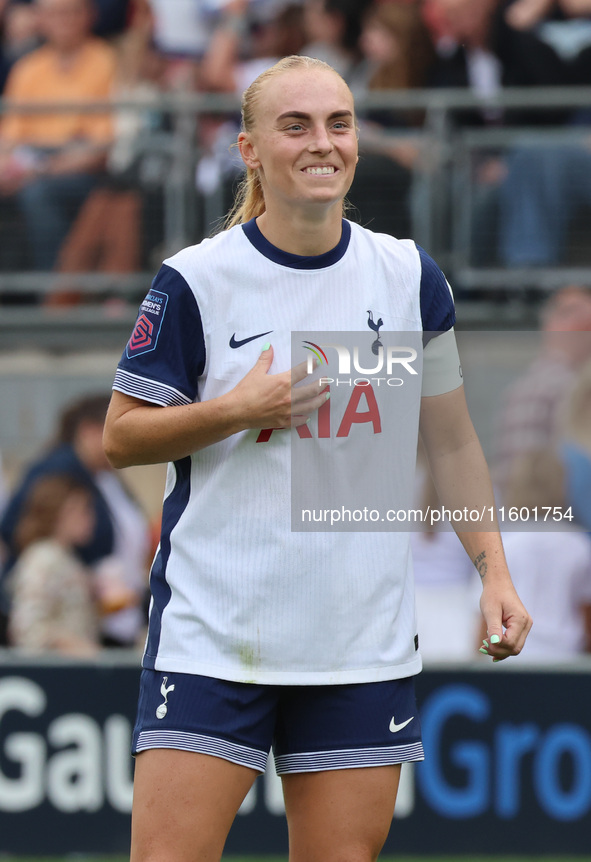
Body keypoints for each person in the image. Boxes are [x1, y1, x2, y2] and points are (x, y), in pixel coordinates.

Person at [103, 55, 532, 862]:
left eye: (338, 123)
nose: (321, 143)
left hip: (356, 645)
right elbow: (121, 437)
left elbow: (451, 440)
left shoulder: (407, 276)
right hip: (215, 637)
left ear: (357, 142)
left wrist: (495, 575)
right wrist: (236, 410)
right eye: (294, 125)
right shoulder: (197, 279)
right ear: (249, 150)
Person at [0, 0, 116, 271]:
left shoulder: (106, 61)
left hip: (87, 173)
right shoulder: (28, 68)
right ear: (40, 19)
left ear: (89, 16)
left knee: (39, 194)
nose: (63, 21)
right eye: (54, 14)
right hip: (32, 165)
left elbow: (100, 149)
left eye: (71, 12)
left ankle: (55, 297)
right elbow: (10, 139)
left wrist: (41, 169)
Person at [7, 474, 102, 656]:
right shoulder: (43, 558)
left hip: (74, 671)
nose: (90, 518)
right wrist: (69, 643)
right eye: (82, 510)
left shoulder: (67, 557)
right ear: (60, 513)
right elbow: (27, 628)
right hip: (55, 674)